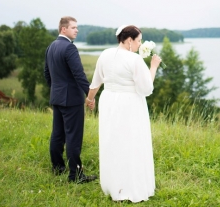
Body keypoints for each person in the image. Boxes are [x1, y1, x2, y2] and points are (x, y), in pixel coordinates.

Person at [86, 25, 162, 203]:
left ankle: (114, 185)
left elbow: (96, 81)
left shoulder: (104, 54)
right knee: (131, 142)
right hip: (130, 104)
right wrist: (153, 67)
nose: (139, 44)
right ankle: (130, 187)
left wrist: (90, 100)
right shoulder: (134, 60)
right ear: (129, 40)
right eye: (139, 40)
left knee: (112, 141)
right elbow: (146, 88)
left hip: (109, 102)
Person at [44, 16, 97, 183]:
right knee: (73, 137)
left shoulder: (51, 47)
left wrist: (56, 90)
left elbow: (47, 74)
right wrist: (90, 96)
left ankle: (58, 168)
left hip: (57, 97)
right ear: (63, 29)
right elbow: (79, 75)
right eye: (73, 27)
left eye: (77, 27)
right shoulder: (69, 48)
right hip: (71, 100)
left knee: (57, 134)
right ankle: (76, 175)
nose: (77, 30)